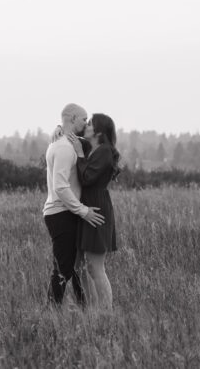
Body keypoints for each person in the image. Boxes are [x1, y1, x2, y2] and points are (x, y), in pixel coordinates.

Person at [43, 103, 104, 307]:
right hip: (61, 213)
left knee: (75, 267)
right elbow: (60, 187)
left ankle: (84, 308)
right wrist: (83, 211)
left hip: (66, 211)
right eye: (83, 119)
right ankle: (52, 312)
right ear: (72, 118)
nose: (86, 123)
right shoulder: (63, 147)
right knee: (64, 267)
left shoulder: (64, 143)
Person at [77, 112, 120, 310]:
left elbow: (87, 178)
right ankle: (93, 310)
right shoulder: (92, 149)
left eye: (90, 124)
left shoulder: (104, 151)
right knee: (86, 266)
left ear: (99, 132)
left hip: (97, 209)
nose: (86, 125)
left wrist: (78, 155)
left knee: (96, 267)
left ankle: (106, 313)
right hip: (87, 207)